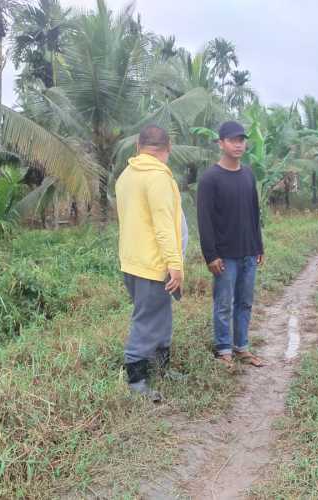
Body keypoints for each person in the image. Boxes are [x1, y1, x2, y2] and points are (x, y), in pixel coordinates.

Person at [115, 124, 186, 402]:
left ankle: (161, 367)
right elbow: (163, 224)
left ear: (138, 147)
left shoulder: (125, 176)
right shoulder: (157, 177)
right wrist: (174, 263)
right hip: (151, 263)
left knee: (161, 316)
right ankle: (136, 379)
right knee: (147, 320)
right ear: (167, 148)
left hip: (131, 261)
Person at [196, 120, 266, 369]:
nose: (239, 144)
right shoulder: (210, 179)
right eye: (233, 140)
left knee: (245, 302)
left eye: (242, 140)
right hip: (225, 256)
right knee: (224, 303)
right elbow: (204, 220)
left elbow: (254, 213)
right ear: (221, 143)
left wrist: (259, 246)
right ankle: (224, 350)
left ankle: (242, 347)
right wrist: (210, 255)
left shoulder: (248, 174)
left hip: (248, 252)